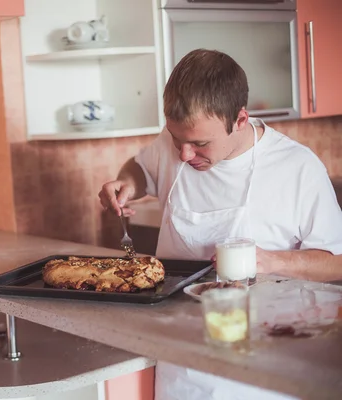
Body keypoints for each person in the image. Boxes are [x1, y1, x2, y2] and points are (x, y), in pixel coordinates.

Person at [98, 49, 342, 399]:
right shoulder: (174, 145)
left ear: (240, 120)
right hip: (178, 361)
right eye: (176, 139)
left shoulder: (298, 168)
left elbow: (336, 260)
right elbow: (140, 166)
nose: (184, 154)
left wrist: (274, 261)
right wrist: (128, 185)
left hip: (263, 367)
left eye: (199, 143)